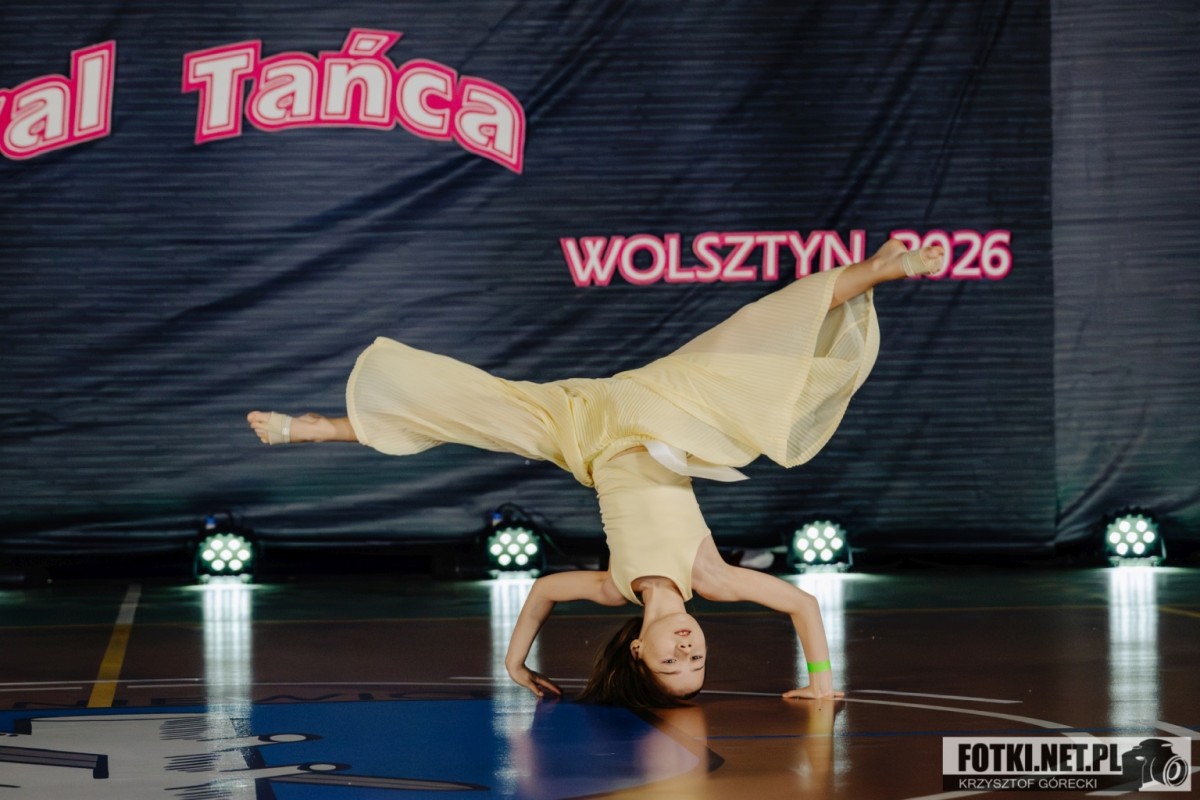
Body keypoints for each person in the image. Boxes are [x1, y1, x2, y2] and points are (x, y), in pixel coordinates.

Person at [248, 239, 945, 707]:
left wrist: (514, 663)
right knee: (757, 337)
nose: (686, 650)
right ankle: (882, 268)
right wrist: (819, 681)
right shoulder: (711, 578)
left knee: (473, 411)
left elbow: (542, 595)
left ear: (637, 650)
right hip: (663, 411)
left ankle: (320, 428)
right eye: (697, 662)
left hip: (582, 433)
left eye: (670, 662)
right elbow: (803, 606)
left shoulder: (613, 588)